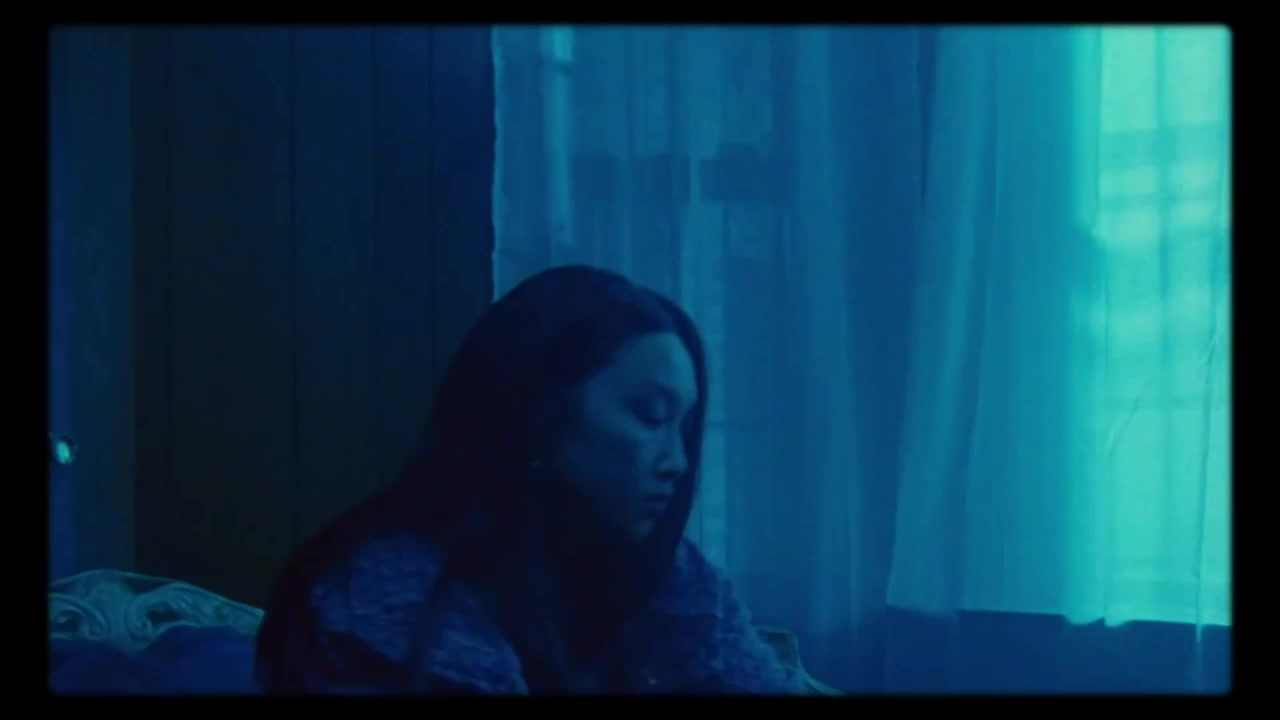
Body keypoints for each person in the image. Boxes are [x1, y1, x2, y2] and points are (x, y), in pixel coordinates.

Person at [254, 265, 805, 694]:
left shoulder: (679, 587)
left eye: (684, 426)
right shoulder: (383, 604)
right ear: (538, 409)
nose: (678, 462)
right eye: (649, 414)